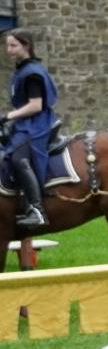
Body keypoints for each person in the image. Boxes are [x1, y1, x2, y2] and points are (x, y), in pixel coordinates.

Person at [4, 29, 57, 227]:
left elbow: (36, 105)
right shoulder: (23, 69)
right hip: (26, 122)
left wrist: (8, 116)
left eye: (13, 45)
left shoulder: (32, 73)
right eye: (7, 45)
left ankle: (37, 210)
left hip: (36, 124)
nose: (9, 50)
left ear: (26, 45)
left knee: (18, 159)